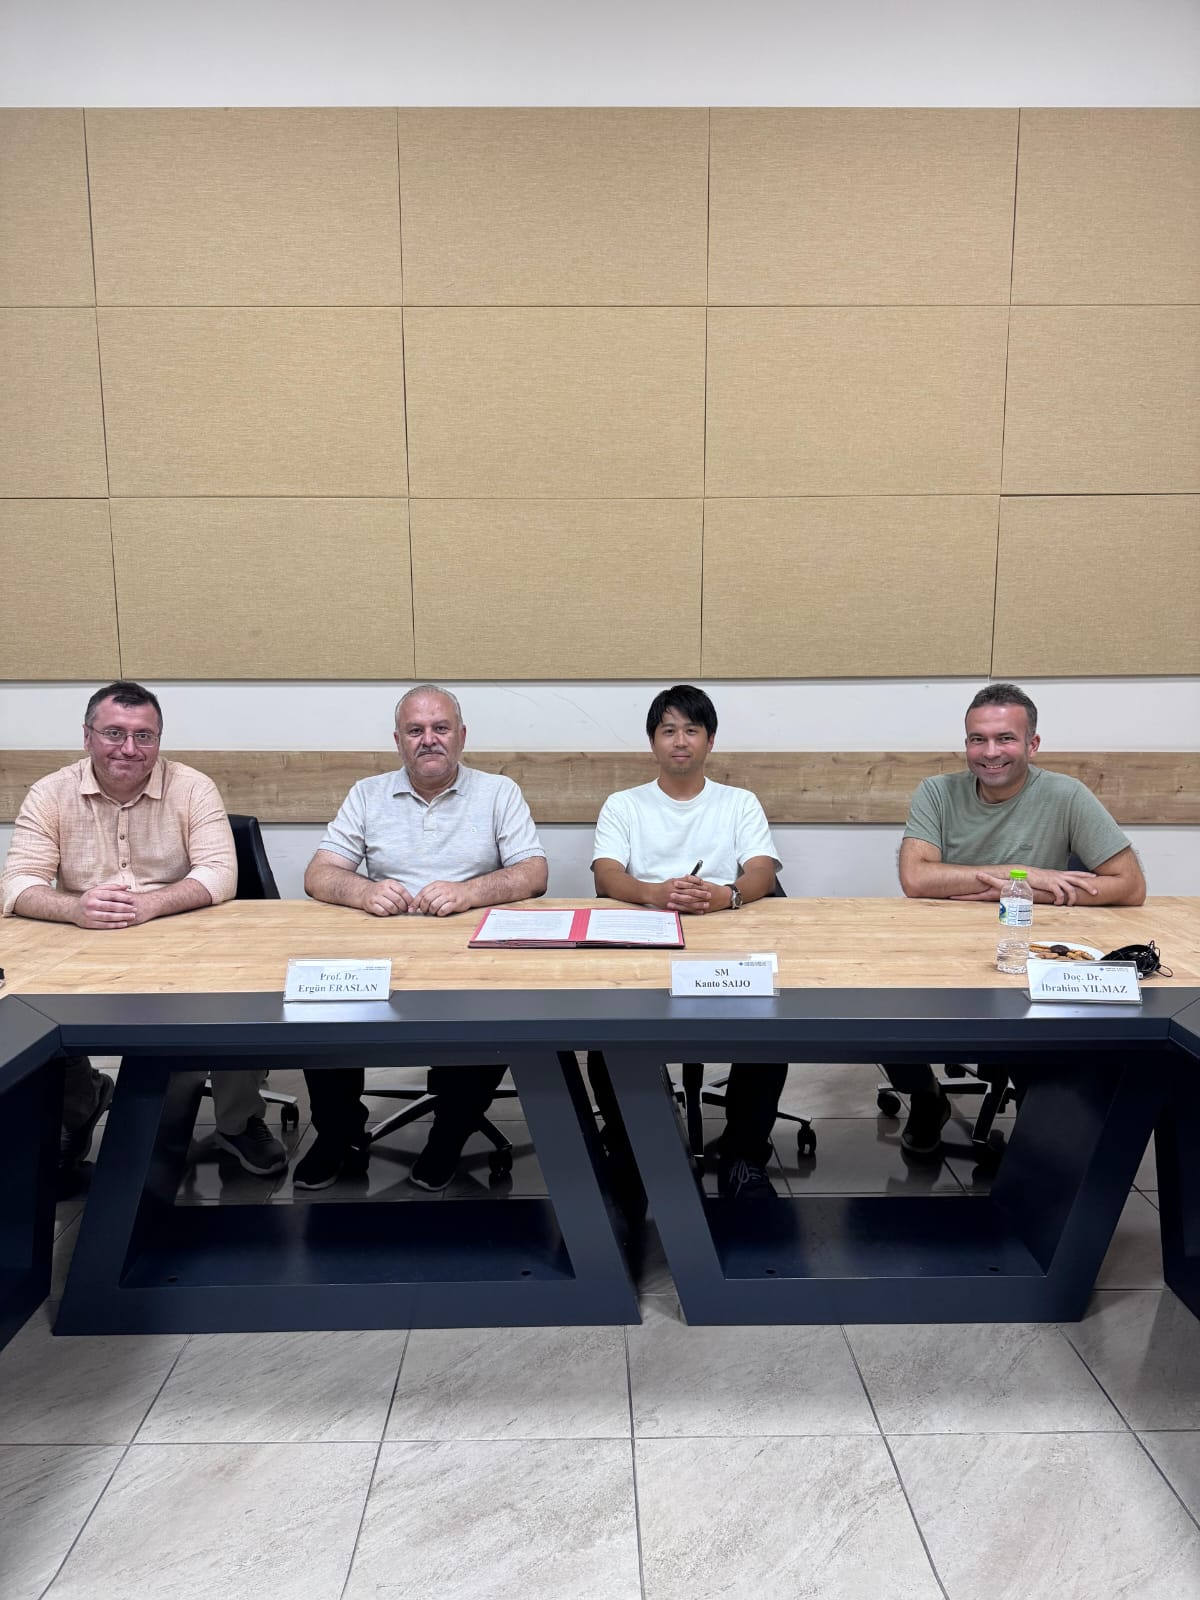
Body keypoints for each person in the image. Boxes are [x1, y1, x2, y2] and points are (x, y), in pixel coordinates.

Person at [1, 680, 287, 1184]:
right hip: (85, 939)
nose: (129, 748)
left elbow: (220, 874)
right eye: (114, 733)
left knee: (242, 996)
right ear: (87, 736)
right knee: (23, 1006)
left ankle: (238, 1121)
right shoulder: (50, 793)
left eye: (144, 736)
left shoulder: (192, 787)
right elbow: (18, 882)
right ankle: (79, 1101)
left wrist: (150, 904)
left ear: (158, 739)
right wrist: (73, 908)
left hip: (183, 935)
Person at [296, 684, 548, 1190]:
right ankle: (339, 1134)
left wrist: (469, 892)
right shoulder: (367, 794)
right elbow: (318, 874)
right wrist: (364, 891)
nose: (428, 739)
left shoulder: (499, 792)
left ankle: (449, 1136)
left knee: (495, 1011)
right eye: (415, 730)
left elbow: (534, 873)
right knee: (320, 1006)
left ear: (461, 736)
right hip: (383, 947)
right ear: (398, 740)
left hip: (470, 950)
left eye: (440, 728)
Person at [890, 680, 1146, 1154]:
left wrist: (1024, 892)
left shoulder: (1066, 795)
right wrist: (1020, 875)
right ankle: (926, 1095)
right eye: (978, 739)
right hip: (941, 947)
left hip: (1027, 947)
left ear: (1032, 743)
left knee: (1046, 1057)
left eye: (1005, 738)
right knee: (882, 1012)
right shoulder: (937, 791)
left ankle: (1040, 1148)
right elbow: (916, 878)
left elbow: (1129, 885)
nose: (990, 752)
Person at [590, 684, 786, 1200]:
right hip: (646, 942)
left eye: (692, 731)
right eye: (668, 731)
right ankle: (631, 1149)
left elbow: (762, 872)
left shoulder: (738, 802)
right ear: (653, 741)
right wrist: (655, 893)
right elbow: (607, 875)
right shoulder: (624, 804)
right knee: (607, 1032)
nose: (680, 741)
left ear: (710, 741)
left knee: (769, 1029)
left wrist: (725, 895)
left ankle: (744, 1156)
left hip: (725, 938)